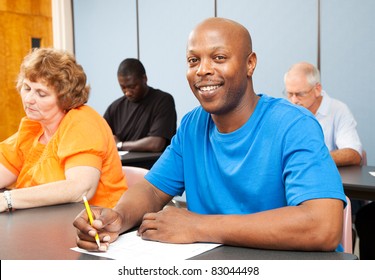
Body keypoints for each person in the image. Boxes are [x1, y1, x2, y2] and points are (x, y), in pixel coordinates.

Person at [74, 17, 346, 252]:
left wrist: (199, 226)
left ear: (250, 64)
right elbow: (152, 190)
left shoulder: (293, 124)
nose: (202, 70)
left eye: (219, 58)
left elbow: (323, 226)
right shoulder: (193, 125)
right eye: (193, 60)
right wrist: (119, 218)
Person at [0, 48, 127, 212]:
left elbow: (80, 189)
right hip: (43, 223)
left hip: (95, 227)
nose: (29, 99)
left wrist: (8, 199)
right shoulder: (33, 127)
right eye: (27, 88)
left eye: (41, 93)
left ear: (64, 98)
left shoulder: (82, 121)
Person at [283, 62, 363, 167]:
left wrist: (312, 158)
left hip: (326, 175)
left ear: (317, 89)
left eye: (300, 94)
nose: (293, 101)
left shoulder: (338, 110)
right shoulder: (286, 111)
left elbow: (353, 153)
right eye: (289, 94)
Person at [103, 58, 177, 152]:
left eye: (132, 87)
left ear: (144, 78)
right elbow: (101, 138)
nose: (127, 92)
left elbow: (156, 144)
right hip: (121, 165)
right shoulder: (115, 107)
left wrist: (120, 145)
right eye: (123, 87)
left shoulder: (163, 101)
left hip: (150, 165)